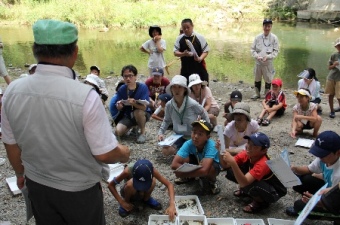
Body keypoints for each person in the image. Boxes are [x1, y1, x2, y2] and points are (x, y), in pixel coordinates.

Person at [1, 19, 130, 225]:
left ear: (35, 50)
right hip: (79, 191)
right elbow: (105, 153)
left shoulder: (12, 91)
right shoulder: (85, 96)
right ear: (75, 52)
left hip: (37, 185)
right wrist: (123, 152)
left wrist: (19, 174)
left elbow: (11, 144)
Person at [220, 132, 287, 213]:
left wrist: (233, 163)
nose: (249, 147)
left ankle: (260, 203)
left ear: (264, 150)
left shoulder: (263, 163)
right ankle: (247, 192)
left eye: (254, 146)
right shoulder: (247, 153)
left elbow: (244, 182)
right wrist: (220, 151)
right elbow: (226, 165)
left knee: (251, 184)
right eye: (248, 143)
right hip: (258, 182)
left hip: (274, 191)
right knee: (231, 171)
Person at [286, 131, 340, 220]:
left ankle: (336, 218)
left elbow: (334, 196)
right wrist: (294, 168)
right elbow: (309, 169)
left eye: (323, 154)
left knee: (299, 206)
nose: (319, 156)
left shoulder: (338, 174)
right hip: (329, 189)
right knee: (300, 180)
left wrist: (317, 201)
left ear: (338, 153)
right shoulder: (323, 159)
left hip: (336, 198)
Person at [158, 75, 209, 156]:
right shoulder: (169, 105)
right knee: (165, 151)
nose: (177, 90)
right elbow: (166, 120)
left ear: (185, 89)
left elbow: (204, 113)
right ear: (171, 89)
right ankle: (182, 152)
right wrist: (161, 133)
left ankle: (183, 153)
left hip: (192, 136)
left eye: (180, 87)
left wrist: (206, 132)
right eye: (174, 87)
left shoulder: (192, 103)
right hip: (177, 136)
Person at [108, 159, 176, 219]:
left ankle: (146, 199)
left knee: (153, 180)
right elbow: (111, 185)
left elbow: (169, 185)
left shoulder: (152, 171)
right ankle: (127, 202)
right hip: (129, 191)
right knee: (130, 184)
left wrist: (172, 204)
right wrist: (121, 202)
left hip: (142, 191)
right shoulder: (128, 170)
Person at [170, 120, 221, 194]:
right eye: (194, 132)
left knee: (211, 169)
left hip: (211, 165)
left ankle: (212, 181)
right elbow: (174, 165)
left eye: (200, 134)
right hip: (198, 163)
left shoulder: (211, 145)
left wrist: (184, 174)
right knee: (184, 158)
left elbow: (205, 170)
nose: (195, 136)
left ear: (207, 137)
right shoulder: (189, 143)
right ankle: (190, 177)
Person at [114, 65, 151, 144]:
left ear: (135, 77)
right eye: (125, 76)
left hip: (142, 113)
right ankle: (134, 126)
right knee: (118, 132)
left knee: (138, 112)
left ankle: (142, 133)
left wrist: (134, 104)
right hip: (128, 115)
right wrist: (119, 106)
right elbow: (118, 105)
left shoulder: (142, 87)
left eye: (130, 76)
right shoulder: (122, 89)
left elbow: (144, 108)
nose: (128, 78)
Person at [174, 18, 210, 83]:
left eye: (188, 27)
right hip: (185, 68)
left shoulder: (199, 37)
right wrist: (183, 54)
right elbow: (175, 52)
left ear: (192, 26)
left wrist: (200, 58)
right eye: (184, 28)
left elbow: (206, 51)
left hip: (199, 67)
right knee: (186, 89)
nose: (186, 30)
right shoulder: (179, 38)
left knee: (203, 87)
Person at [250, 19, 279, 99]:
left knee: (268, 79)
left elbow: (276, 51)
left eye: (269, 26)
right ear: (263, 27)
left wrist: (268, 57)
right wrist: (257, 56)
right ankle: (257, 94)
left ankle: (267, 95)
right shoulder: (257, 37)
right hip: (258, 63)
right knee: (257, 78)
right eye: (265, 26)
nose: (267, 28)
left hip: (268, 63)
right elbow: (252, 49)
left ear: (271, 27)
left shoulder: (274, 38)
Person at [325, 38, 340, 118]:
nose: (339, 47)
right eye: (338, 45)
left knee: (339, 96)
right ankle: (332, 110)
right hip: (331, 77)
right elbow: (329, 67)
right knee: (331, 94)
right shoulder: (334, 55)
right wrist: (334, 65)